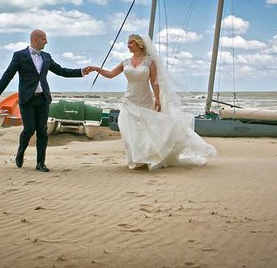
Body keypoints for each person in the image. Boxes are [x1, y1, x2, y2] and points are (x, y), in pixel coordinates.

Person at [87, 34, 215, 171]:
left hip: (145, 100)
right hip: (129, 100)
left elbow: (154, 82)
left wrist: (158, 99)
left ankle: (148, 157)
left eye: (130, 43)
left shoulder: (149, 62)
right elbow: (111, 74)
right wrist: (96, 69)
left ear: (139, 44)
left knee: (147, 129)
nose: (128, 45)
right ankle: (136, 158)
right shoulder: (125, 62)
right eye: (128, 43)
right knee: (127, 128)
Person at [0, 29, 91, 172]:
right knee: (29, 129)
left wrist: (81, 71)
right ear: (36, 40)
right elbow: (8, 74)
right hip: (27, 99)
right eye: (44, 39)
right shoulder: (19, 55)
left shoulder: (46, 57)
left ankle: (40, 163)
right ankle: (21, 151)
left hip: (43, 99)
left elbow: (61, 71)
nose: (46, 41)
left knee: (42, 132)